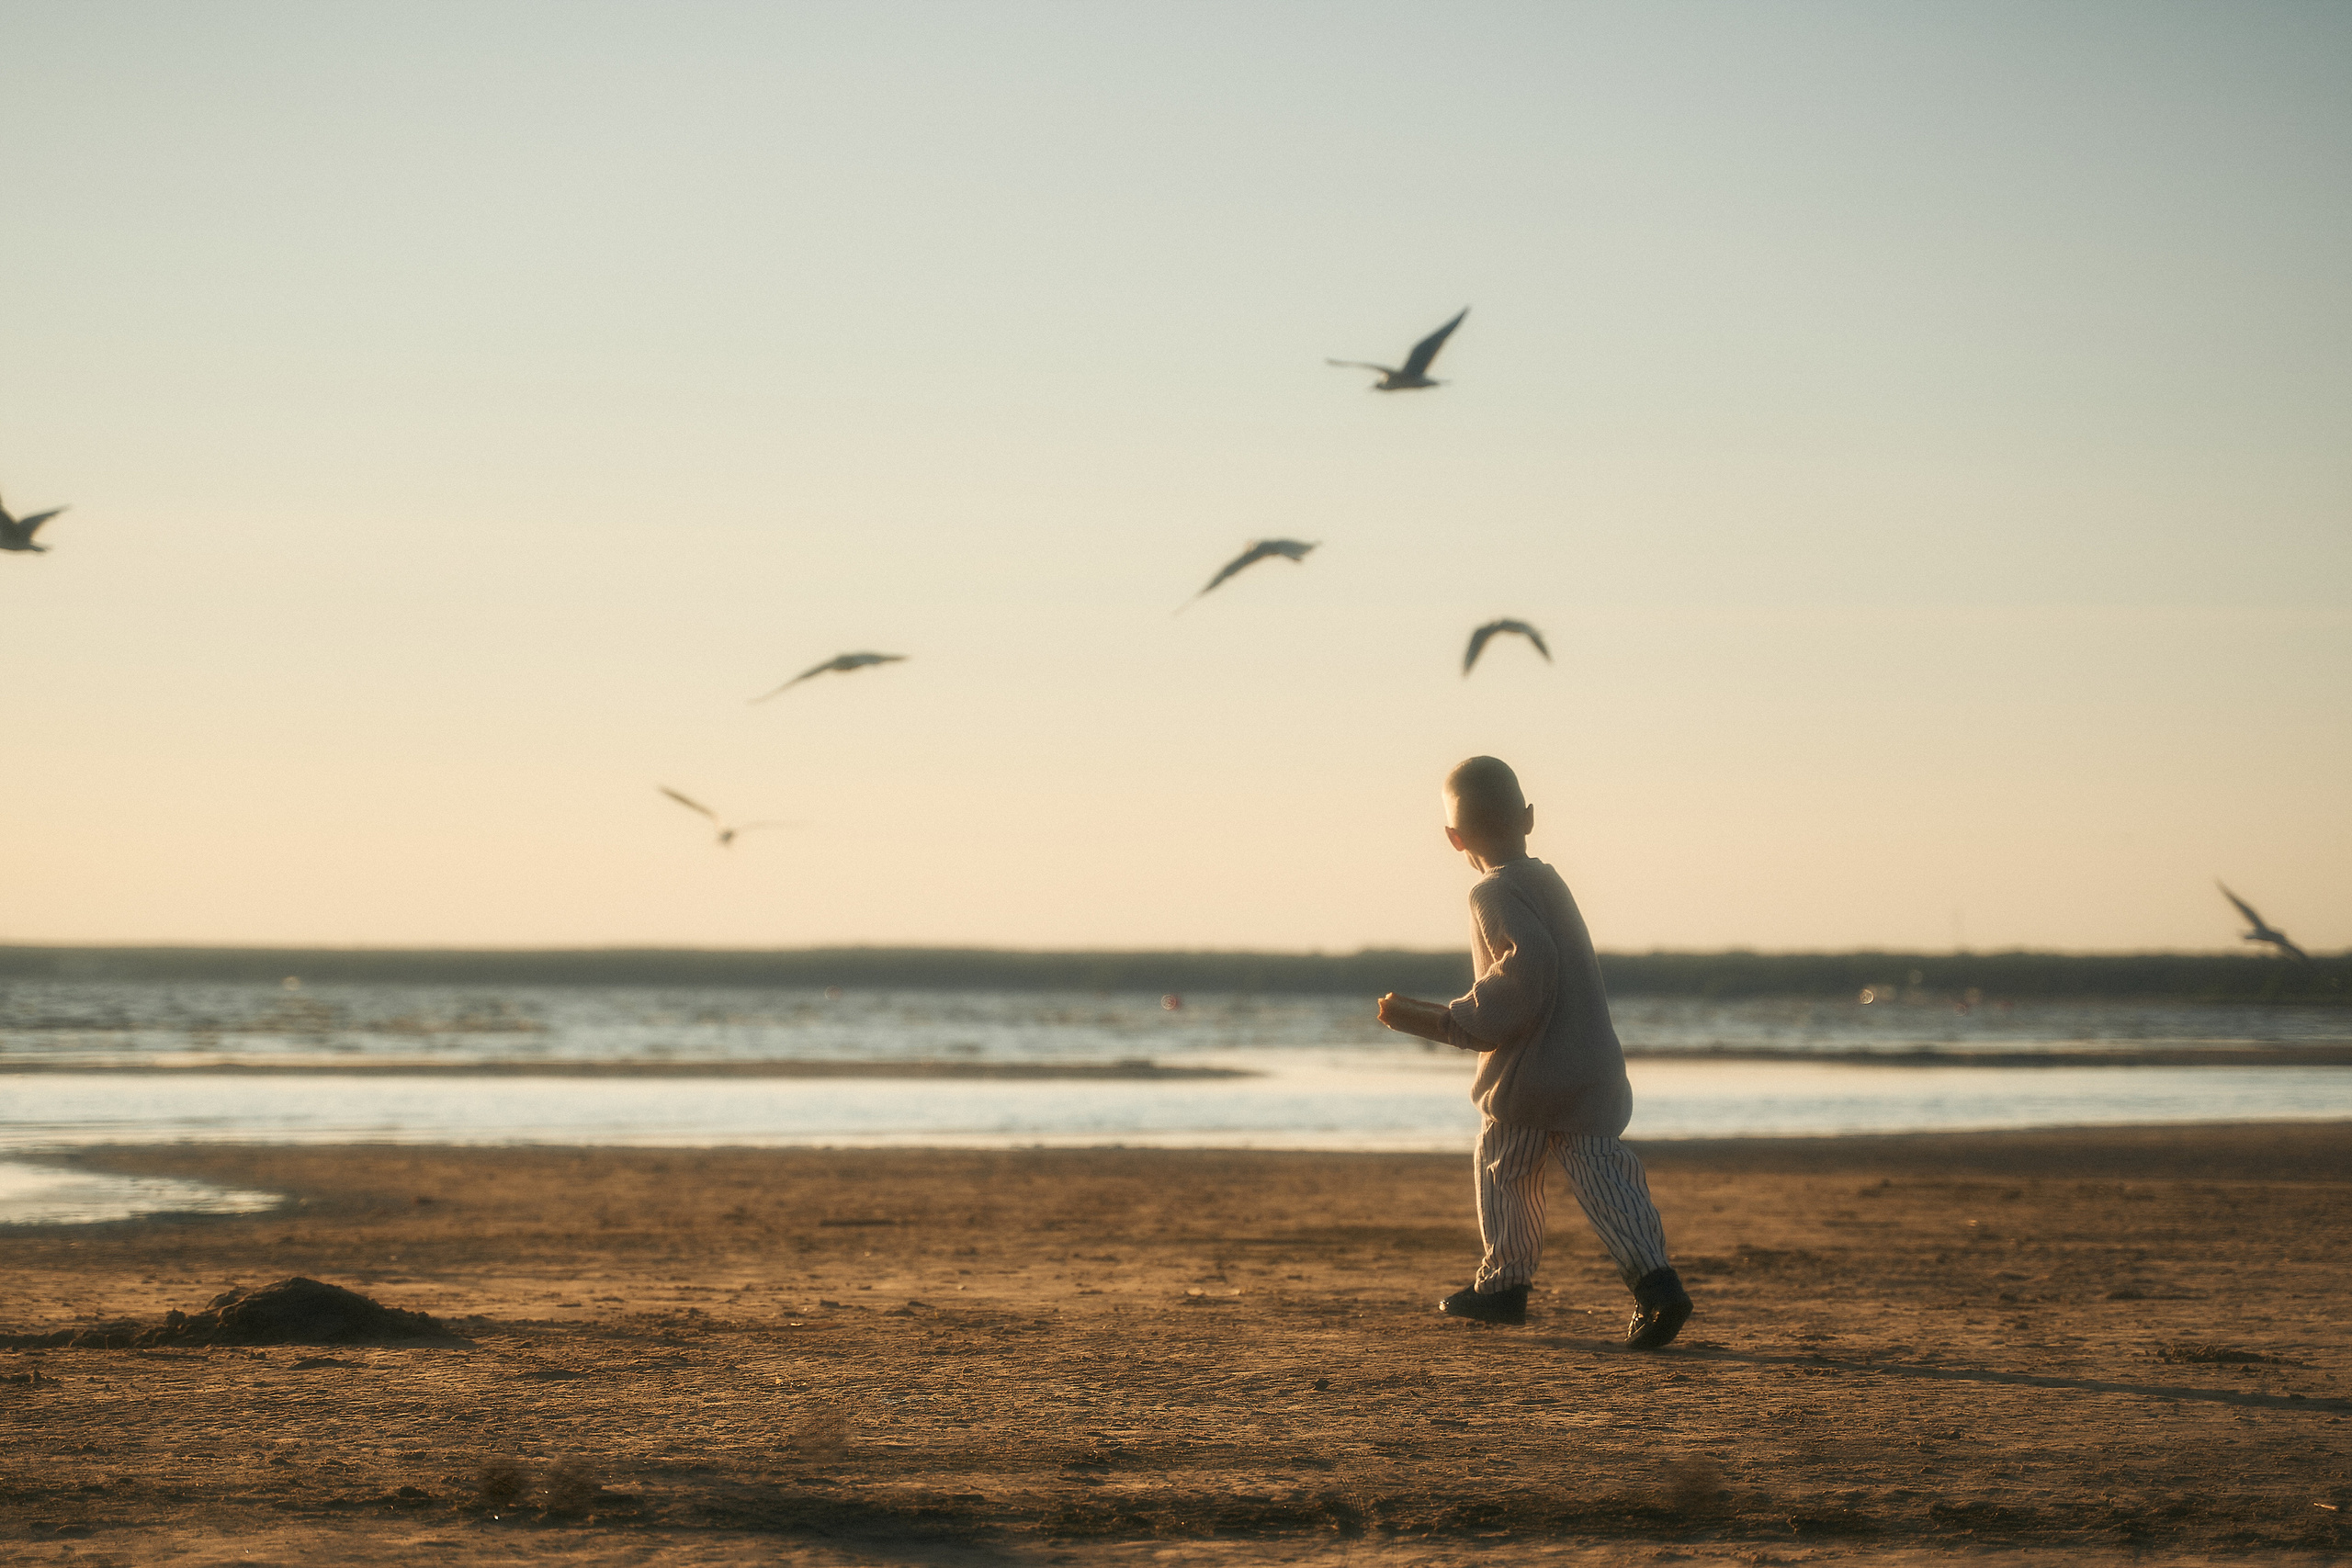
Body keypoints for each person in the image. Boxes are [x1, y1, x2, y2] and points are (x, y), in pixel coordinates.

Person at [1376, 755, 1691, 1348]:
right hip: (1590, 1066)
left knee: (1505, 1171)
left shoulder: (1490, 891)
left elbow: (1528, 968)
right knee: (1606, 1179)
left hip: (1527, 1077)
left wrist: (1460, 1019)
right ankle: (1657, 1285)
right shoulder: (1549, 881)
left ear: (1454, 838)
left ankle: (1505, 1285)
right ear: (1527, 818)